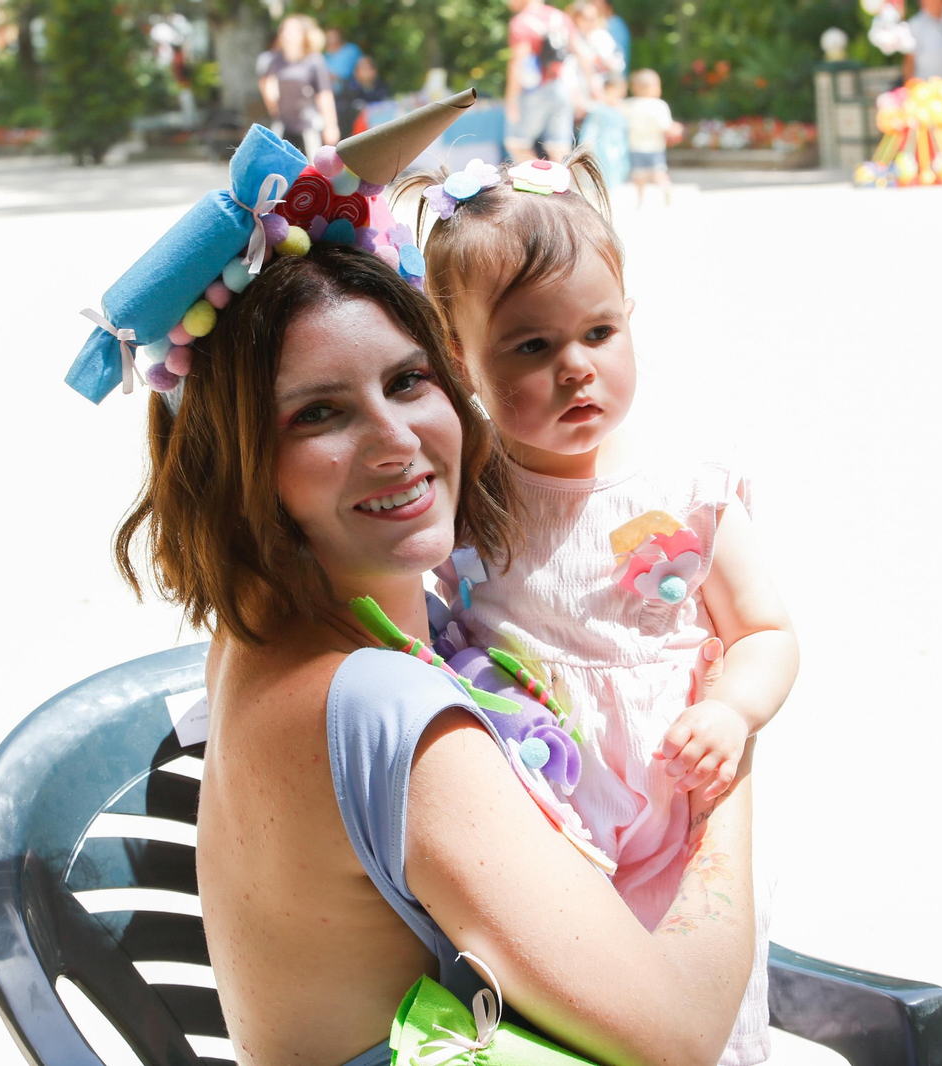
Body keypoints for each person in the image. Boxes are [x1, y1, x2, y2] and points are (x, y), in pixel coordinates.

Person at [69, 104, 761, 1066]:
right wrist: (724, 758)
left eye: (406, 383)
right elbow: (681, 1035)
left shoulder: (278, 630)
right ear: (239, 464)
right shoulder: (391, 711)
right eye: (318, 414)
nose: (397, 443)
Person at [409, 147, 800, 1063]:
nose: (576, 368)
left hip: (677, 813)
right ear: (459, 359)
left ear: (632, 323)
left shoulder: (687, 492)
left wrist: (731, 709)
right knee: (568, 1025)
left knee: (692, 1021)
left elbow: (768, 632)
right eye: (531, 347)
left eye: (599, 334)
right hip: (540, 838)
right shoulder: (470, 494)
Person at [504, 0, 579, 163]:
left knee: (517, 143)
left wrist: (511, 100)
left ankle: (536, 183)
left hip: (534, 90)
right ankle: (562, 186)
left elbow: (518, 63)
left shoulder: (522, 22)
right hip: (562, 87)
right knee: (559, 147)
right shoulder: (560, 17)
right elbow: (578, 53)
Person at [258, 14, 340, 156]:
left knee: (312, 169)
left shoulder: (314, 61)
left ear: (303, 35)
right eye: (284, 30)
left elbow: (324, 94)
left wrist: (331, 125)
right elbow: (266, 83)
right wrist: (272, 103)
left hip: (308, 125)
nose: (286, 34)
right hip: (283, 123)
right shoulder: (274, 60)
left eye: (291, 30)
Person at [622, 68, 680, 207]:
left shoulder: (629, 105)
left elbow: (622, 123)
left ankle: (640, 198)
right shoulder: (659, 105)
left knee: (639, 175)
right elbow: (666, 127)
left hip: (635, 146)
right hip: (655, 147)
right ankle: (665, 187)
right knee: (659, 171)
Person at [335, 54, 391, 142]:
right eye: (360, 68)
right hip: (353, 135)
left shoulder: (382, 87)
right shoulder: (349, 88)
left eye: (368, 68)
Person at [323, 27, 362, 93]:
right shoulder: (325, 55)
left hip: (352, 87)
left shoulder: (351, 49)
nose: (331, 38)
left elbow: (362, 66)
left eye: (333, 35)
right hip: (331, 91)